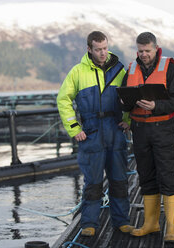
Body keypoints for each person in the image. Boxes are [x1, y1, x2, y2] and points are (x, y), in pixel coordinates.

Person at [57, 31, 134, 237]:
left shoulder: (119, 70)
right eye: (98, 49)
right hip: (91, 132)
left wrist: (127, 120)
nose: (103, 53)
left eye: (105, 48)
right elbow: (63, 99)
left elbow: (130, 96)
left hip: (115, 130)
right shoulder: (77, 72)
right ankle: (89, 223)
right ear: (89, 49)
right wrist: (74, 128)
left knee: (119, 179)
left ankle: (122, 221)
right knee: (93, 181)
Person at [121, 32, 174, 241]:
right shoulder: (130, 68)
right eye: (140, 51)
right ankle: (151, 223)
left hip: (163, 128)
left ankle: (172, 228)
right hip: (139, 130)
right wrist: (125, 104)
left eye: (147, 51)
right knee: (146, 175)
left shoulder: (169, 67)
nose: (143, 55)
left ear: (156, 48)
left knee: (167, 175)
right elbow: (122, 97)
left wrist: (156, 106)